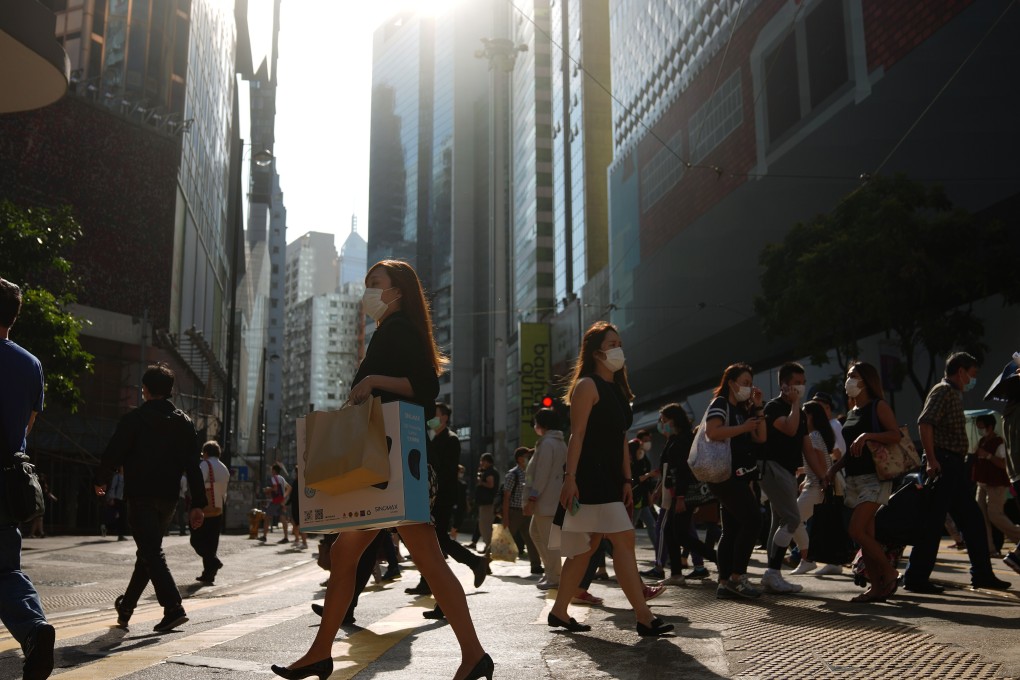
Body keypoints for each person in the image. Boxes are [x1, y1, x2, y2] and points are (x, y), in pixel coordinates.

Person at [272, 259, 491, 680]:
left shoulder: (398, 330)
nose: (368, 291)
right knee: (355, 553)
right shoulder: (391, 330)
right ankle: (322, 651)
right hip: (390, 463)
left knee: (423, 559)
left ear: (398, 291)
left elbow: (425, 388)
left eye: (376, 283)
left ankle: (473, 653)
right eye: (368, 283)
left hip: (390, 465)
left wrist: (373, 382)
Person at [547, 321, 673, 637]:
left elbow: (620, 438)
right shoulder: (587, 386)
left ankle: (559, 611)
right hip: (590, 476)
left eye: (619, 343)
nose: (618, 349)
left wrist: (627, 481)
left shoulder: (617, 389)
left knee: (586, 549)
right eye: (611, 343)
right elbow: (577, 434)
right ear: (595, 352)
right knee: (622, 540)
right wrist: (570, 478)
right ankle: (644, 617)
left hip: (612, 478)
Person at [97, 362, 208, 631]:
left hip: (141, 495)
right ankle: (125, 608)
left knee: (150, 552)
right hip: (169, 498)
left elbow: (114, 451)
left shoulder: (134, 419)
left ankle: (173, 607)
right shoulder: (184, 422)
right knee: (148, 554)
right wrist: (198, 504)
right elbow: (193, 465)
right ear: (169, 390)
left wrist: (102, 479)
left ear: (144, 390)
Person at [904, 352, 1011, 592]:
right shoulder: (943, 391)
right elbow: (925, 422)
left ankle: (982, 574)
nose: (972, 380)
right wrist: (931, 460)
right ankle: (916, 578)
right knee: (933, 524)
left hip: (952, 465)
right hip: (943, 463)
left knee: (972, 521)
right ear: (960, 371)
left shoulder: (952, 393)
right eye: (971, 375)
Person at [0, 277, 56, 680]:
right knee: (5, 568)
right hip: (7, 479)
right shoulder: (30, 363)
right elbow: (28, 425)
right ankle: (35, 629)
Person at [824, 361, 903, 601]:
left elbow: (895, 435)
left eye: (853, 376)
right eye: (848, 375)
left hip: (876, 477)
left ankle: (889, 572)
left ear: (866, 380)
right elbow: (850, 451)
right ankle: (877, 588)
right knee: (866, 536)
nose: (848, 380)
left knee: (856, 530)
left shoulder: (878, 406)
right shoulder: (852, 412)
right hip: (854, 479)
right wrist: (833, 469)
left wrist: (868, 435)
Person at [417, 402, 489, 620]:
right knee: (437, 546)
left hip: (441, 499)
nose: (432, 419)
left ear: (445, 417)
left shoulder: (450, 439)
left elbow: (447, 474)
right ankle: (445, 602)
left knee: (438, 543)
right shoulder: (430, 436)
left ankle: (475, 562)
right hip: (430, 498)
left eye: (436, 415)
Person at [703, 363, 767, 600]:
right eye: (745, 382)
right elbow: (712, 432)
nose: (748, 387)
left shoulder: (743, 409)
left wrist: (758, 408)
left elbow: (761, 437)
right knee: (753, 520)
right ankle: (737, 577)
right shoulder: (720, 404)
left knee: (731, 529)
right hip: (724, 474)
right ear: (731, 383)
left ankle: (724, 582)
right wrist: (742, 427)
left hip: (738, 474)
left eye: (751, 383)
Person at [758, 362, 822, 594]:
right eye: (797, 383)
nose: (801, 387)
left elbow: (808, 449)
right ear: (784, 385)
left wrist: (824, 476)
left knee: (779, 522)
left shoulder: (800, 413)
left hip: (787, 471)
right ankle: (772, 574)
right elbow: (789, 429)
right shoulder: (774, 407)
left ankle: (772, 575)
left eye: (803, 383)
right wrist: (795, 404)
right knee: (792, 519)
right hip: (772, 468)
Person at [657, 402, 717, 587]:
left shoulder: (683, 440)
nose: (662, 423)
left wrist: (681, 497)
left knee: (679, 534)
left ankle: (719, 559)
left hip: (684, 494)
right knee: (672, 532)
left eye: (664, 420)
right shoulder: (675, 438)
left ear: (674, 420)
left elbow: (683, 470)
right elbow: (667, 468)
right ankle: (676, 573)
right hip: (677, 493)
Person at [789, 400, 836, 575]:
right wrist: (805, 473)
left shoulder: (813, 437)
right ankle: (833, 562)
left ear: (809, 416)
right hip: (815, 484)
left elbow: (822, 463)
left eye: (803, 413)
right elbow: (819, 461)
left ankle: (807, 558)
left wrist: (823, 480)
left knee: (792, 520)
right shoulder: (818, 435)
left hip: (816, 487)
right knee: (821, 524)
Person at [526, 407, 567, 590]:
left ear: (542, 424)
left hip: (545, 500)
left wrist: (532, 498)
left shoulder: (547, 444)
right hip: (552, 498)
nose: (535, 426)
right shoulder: (559, 443)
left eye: (536, 423)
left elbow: (541, 474)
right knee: (536, 533)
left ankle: (554, 576)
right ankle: (550, 572)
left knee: (548, 540)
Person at [972, 415, 1020, 569]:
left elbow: (1003, 464)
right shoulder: (981, 442)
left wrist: (987, 455)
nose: (980, 430)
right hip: (982, 483)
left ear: (990, 427)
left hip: (997, 485)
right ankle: (989, 549)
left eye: (982, 426)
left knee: (995, 514)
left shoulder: (999, 442)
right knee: (980, 517)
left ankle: (1018, 536)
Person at [192, 440, 229, 584]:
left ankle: (213, 562)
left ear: (206, 453)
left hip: (205, 508)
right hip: (219, 508)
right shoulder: (224, 468)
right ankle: (208, 574)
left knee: (196, 539)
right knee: (212, 543)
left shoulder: (205, 464)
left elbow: (198, 483)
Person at [502, 447, 542, 575]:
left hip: (526, 511)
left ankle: (536, 565)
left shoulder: (528, 473)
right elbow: (506, 496)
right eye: (526, 456)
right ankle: (484, 562)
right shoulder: (512, 474)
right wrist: (506, 517)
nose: (528, 459)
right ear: (519, 459)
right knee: (503, 539)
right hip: (515, 513)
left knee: (532, 538)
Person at [629, 429, 659, 554]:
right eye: (644, 442)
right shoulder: (630, 461)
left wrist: (649, 495)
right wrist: (648, 475)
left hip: (642, 500)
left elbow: (645, 483)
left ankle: (660, 553)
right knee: (630, 527)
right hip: (635, 499)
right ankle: (624, 552)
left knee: (651, 525)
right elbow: (635, 480)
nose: (645, 445)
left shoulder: (644, 459)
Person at [259, 464, 291, 543]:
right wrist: (283, 497)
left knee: (267, 517)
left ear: (274, 471)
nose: (271, 471)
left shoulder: (274, 478)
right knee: (283, 519)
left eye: (271, 470)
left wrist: (268, 489)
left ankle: (264, 536)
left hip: (276, 501)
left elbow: (275, 488)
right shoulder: (282, 478)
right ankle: (286, 537)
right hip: (281, 501)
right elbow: (289, 488)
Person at [473, 453, 498, 552]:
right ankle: (489, 546)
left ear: (487, 461)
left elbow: (490, 484)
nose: (481, 463)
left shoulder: (490, 472)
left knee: (485, 526)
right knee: (484, 525)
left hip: (487, 503)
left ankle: (489, 547)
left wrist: (481, 482)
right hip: (486, 502)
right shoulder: (488, 471)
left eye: (482, 461)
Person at [104, 466, 127, 541]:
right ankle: (119, 534)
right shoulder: (117, 477)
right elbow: (113, 487)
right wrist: (111, 498)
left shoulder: (126, 476)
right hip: (117, 499)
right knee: (117, 516)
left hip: (123, 499)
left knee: (122, 517)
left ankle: (121, 534)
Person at [290, 465, 307, 550]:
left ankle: (304, 542)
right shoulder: (296, 482)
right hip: (295, 507)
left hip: (299, 507)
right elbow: (292, 496)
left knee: (300, 525)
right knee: (295, 524)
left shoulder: (301, 482)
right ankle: (297, 540)